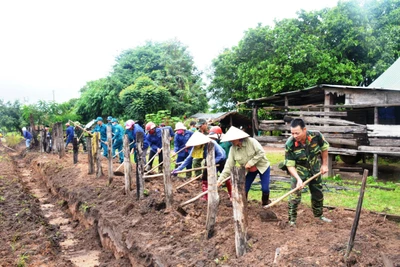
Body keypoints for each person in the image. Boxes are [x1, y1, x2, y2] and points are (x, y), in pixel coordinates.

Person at [282, 118, 331, 226]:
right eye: (292, 133)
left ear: (304, 130)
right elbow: (290, 164)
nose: (294, 136)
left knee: (318, 193)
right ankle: (292, 221)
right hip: (299, 170)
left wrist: (324, 164)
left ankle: (319, 216)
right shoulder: (290, 143)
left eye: (297, 133)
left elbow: (324, 148)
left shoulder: (316, 136)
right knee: (294, 195)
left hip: (314, 168)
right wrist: (298, 179)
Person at [218, 126, 271, 205]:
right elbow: (229, 166)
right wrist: (220, 180)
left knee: (265, 189)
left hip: (262, 166)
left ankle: (265, 203)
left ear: (238, 138)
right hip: (249, 170)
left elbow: (261, 153)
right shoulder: (233, 149)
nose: (230, 141)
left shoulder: (252, 142)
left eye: (232, 139)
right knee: (244, 189)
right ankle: (243, 205)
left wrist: (251, 162)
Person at [172, 132, 229, 200]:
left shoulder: (212, 143)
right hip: (208, 161)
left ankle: (231, 194)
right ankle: (206, 196)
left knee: (226, 177)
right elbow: (189, 159)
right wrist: (178, 169)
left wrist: (211, 164)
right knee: (205, 178)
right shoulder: (196, 147)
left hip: (221, 160)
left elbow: (221, 155)